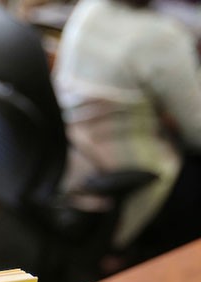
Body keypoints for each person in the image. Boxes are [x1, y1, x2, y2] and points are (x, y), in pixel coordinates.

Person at [52, 0, 201, 264]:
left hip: (76, 160)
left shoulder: (90, 9)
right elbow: (196, 133)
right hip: (138, 177)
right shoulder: (162, 37)